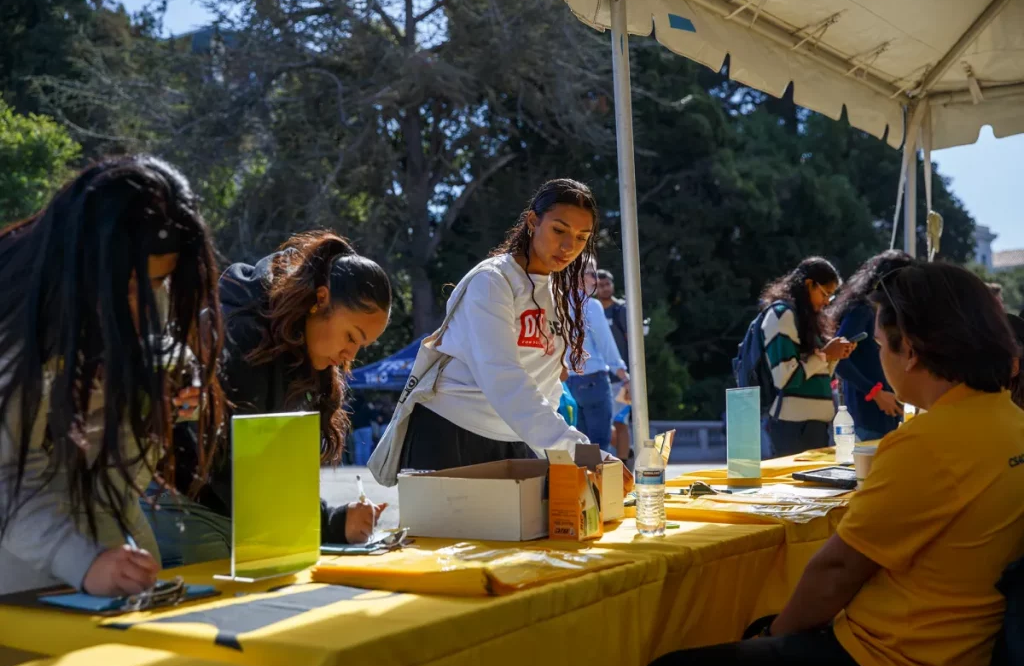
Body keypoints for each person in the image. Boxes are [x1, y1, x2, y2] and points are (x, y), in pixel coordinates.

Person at [648, 262, 1024, 666]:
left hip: (888, 656)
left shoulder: (925, 443)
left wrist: (776, 635)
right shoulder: (1012, 422)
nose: (880, 358)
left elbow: (838, 570)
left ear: (912, 352)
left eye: (880, 346)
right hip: (972, 648)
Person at [0, 156, 224, 596]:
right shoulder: (12, 331)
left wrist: (174, 384)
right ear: (84, 259)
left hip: (106, 554)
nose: (147, 310)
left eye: (159, 284)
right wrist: (83, 562)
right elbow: (4, 479)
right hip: (21, 580)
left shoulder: (137, 281)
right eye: (131, 289)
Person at [151, 231, 390, 566]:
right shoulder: (243, 335)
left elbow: (270, 474)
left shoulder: (307, 357)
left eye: (361, 346)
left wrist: (333, 520)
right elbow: (243, 474)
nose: (350, 353)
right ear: (320, 299)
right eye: (351, 336)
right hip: (182, 505)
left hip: (229, 512)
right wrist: (328, 522)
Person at [399, 179, 596, 470]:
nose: (569, 246)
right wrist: (581, 452)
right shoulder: (492, 281)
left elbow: (546, 384)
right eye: (559, 230)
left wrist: (564, 455)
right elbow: (503, 376)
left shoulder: (555, 292)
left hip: (517, 437)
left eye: (582, 237)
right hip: (453, 433)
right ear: (532, 221)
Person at [759, 257, 855, 456]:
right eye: (825, 293)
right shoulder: (781, 315)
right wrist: (826, 354)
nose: (827, 301)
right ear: (809, 284)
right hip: (793, 428)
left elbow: (818, 377)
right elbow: (785, 378)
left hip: (816, 427)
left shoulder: (808, 319)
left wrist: (834, 356)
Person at [829, 250, 913, 441]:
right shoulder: (862, 309)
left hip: (887, 416)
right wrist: (875, 393)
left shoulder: (883, 312)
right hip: (866, 418)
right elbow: (839, 360)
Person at [565, 259, 628, 453]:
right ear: (578, 277)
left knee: (578, 446)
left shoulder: (554, 302)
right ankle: (598, 483)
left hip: (566, 384)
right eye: (591, 274)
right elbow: (605, 343)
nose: (595, 279)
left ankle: (582, 483)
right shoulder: (591, 305)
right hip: (593, 381)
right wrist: (623, 375)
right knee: (599, 445)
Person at [597, 269, 632, 460]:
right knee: (603, 423)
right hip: (598, 377)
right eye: (600, 285)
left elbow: (632, 342)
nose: (604, 288)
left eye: (607, 284)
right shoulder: (591, 311)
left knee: (621, 422)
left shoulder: (621, 310)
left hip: (621, 378)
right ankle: (615, 459)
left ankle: (625, 462)